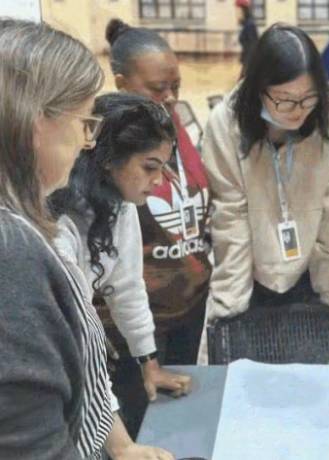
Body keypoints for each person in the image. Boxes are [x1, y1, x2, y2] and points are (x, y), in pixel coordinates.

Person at [0, 19, 172, 459]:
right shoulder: (13, 251)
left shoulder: (31, 228)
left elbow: (83, 354)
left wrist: (122, 446)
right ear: (36, 122)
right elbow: (29, 439)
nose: (85, 141)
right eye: (83, 122)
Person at [197, 23, 329, 362]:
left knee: (308, 374)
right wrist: (232, 298)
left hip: (314, 276)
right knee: (252, 374)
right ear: (258, 89)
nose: (298, 110)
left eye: (308, 97)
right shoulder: (226, 123)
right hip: (250, 277)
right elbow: (230, 215)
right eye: (284, 100)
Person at [49, 93, 194, 437]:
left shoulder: (120, 203)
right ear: (108, 159)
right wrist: (120, 442)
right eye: (149, 167)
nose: (158, 181)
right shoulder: (56, 222)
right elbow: (75, 335)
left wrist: (149, 363)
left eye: (163, 167)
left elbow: (127, 287)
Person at [104, 19, 212, 437]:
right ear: (121, 83)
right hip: (134, 325)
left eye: (176, 87)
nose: (170, 98)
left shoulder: (175, 127)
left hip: (188, 307)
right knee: (138, 432)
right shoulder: (106, 151)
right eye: (157, 88)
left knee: (179, 428)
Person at [235, 0, 259, 73]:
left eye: (238, 12)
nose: (236, 15)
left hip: (249, 62)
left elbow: (252, 46)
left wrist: (246, 66)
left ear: (244, 11)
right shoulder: (246, 24)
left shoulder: (249, 25)